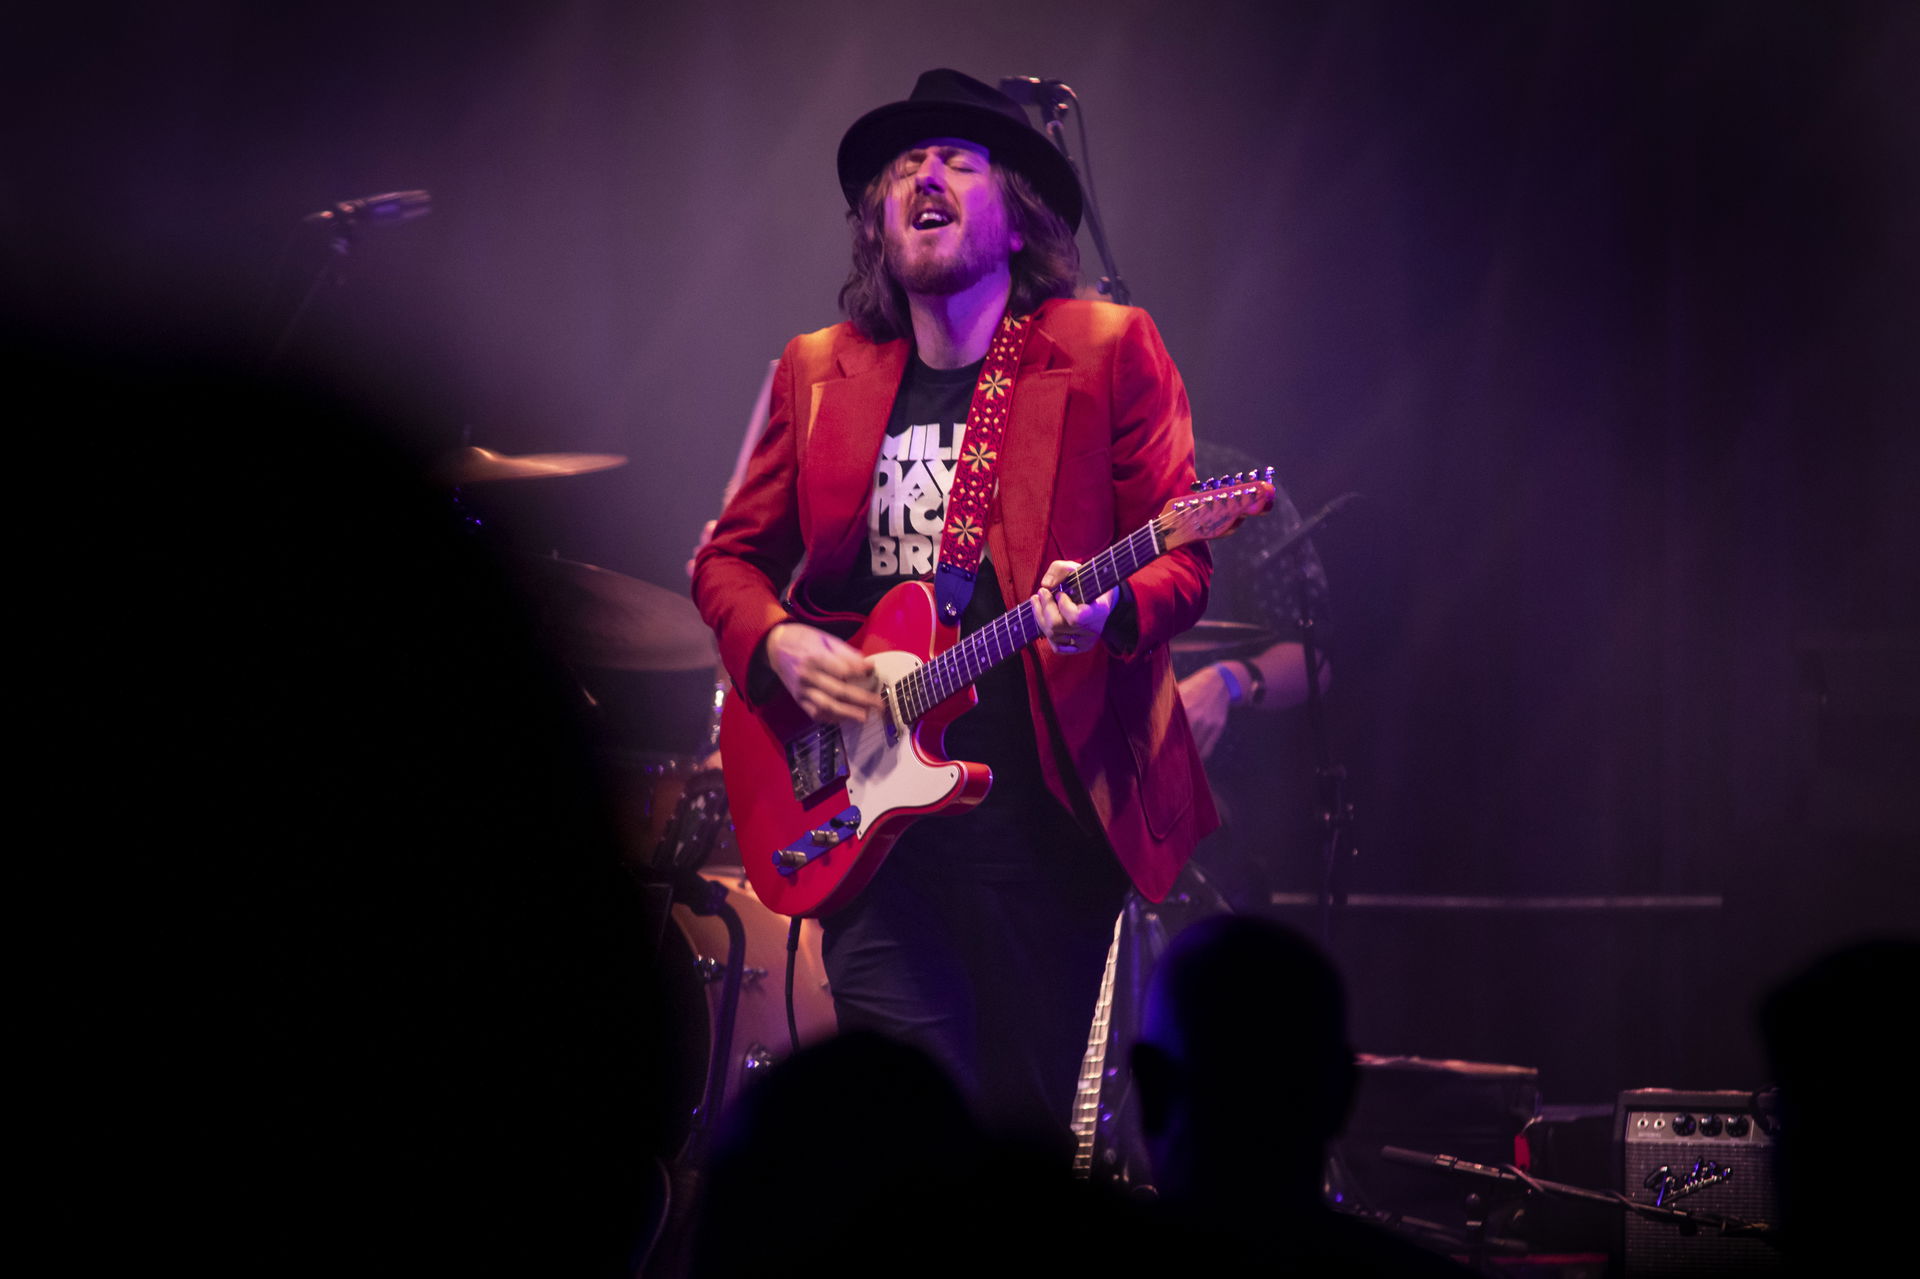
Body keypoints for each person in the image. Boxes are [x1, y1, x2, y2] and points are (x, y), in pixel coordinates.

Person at [691, 68, 1216, 1141]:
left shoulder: (1110, 350)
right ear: (878, 223)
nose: (922, 176)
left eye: (956, 161)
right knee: (905, 1142)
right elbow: (726, 563)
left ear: (1018, 213)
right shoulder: (817, 372)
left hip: (1049, 827)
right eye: (903, 166)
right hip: (871, 829)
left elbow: (1181, 564)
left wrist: (1101, 616)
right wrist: (782, 644)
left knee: (1016, 1143)